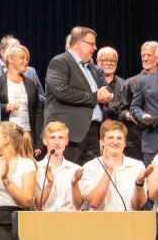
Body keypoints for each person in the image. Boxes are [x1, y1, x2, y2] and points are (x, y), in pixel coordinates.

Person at [44, 26, 113, 165]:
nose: (95, 47)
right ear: (79, 44)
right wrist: (95, 97)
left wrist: (106, 95)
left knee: (91, 176)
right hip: (70, 131)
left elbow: (104, 89)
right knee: (67, 175)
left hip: (93, 129)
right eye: (92, 43)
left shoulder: (93, 68)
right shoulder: (60, 62)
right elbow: (62, 91)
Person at [72, 120, 153, 212]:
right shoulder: (90, 167)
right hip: (98, 223)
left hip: (128, 223)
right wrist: (109, 170)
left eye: (119, 138)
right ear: (101, 142)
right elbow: (95, 203)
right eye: (110, 138)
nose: (115, 142)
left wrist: (139, 183)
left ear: (125, 143)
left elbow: (137, 205)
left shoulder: (137, 165)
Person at [0, 45, 43, 156]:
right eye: (22, 58)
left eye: (27, 59)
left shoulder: (31, 84)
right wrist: (5, 107)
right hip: (6, 135)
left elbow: (38, 113)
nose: (25, 61)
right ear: (11, 60)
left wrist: (38, 142)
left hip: (27, 135)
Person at [121, 41, 158, 160]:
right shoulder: (131, 82)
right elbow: (122, 110)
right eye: (143, 55)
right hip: (137, 138)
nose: (145, 58)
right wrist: (134, 117)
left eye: (149, 55)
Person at [34, 122, 81, 211]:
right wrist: (49, 184)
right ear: (44, 141)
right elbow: (37, 206)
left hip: (71, 220)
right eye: (52, 138)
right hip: (45, 221)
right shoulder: (36, 168)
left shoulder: (75, 169)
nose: (57, 142)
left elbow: (79, 207)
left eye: (61, 138)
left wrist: (74, 185)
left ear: (66, 141)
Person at [97, 46, 128, 123]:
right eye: (105, 60)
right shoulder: (91, 82)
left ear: (116, 62)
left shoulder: (124, 84)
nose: (109, 63)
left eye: (112, 60)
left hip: (118, 128)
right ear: (97, 61)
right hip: (94, 128)